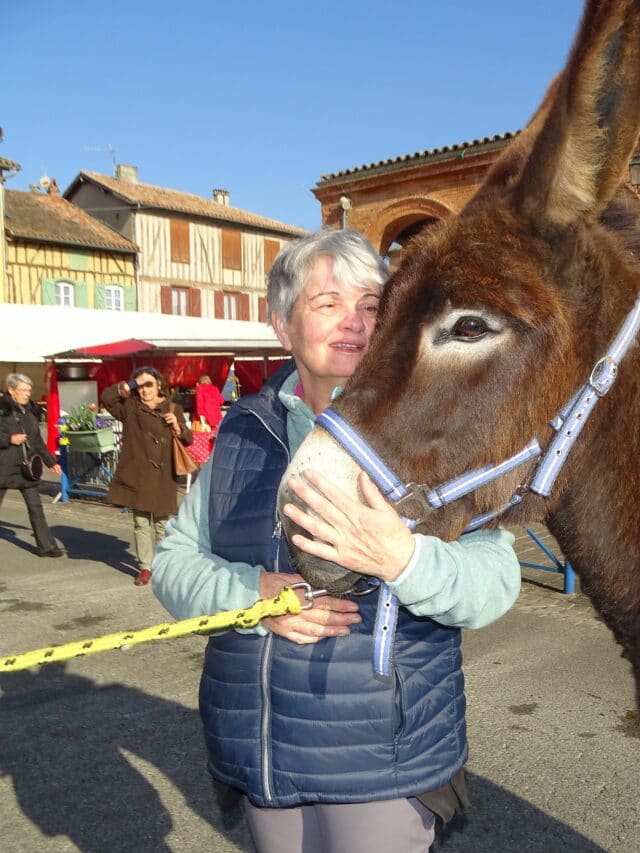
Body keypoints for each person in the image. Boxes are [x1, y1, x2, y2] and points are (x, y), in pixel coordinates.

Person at [151, 229, 521, 853]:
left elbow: (495, 584)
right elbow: (171, 563)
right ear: (281, 325)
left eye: (371, 305)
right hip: (262, 751)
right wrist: (251, 596)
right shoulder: (243, 432)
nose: (354, 322)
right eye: (327, 303)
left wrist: (402, 559)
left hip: (379, 760)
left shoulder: (432, 432)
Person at [101, 367, 192, 587]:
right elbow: (107, 398)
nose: (144, 390)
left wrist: (178, 427)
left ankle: (162, 565)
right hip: (138, 474)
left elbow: (188, 438)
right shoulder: (131, 407)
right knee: (141, 523)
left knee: (162, 524)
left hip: (163, 474)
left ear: (159, 384)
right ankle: (145, 567)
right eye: (139, 386)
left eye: (148, 384)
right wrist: (129, 385)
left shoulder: (173, 407)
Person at [0, 373, 63, 562]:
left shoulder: (30, 410)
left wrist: (51, 462)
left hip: (27, 468)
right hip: (2, 467)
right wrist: (9, 440)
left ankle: (46, 546)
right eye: (23, 390)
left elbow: (37, 441)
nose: (27, 394)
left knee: (36, 507)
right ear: (11, 390)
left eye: (29, 390)